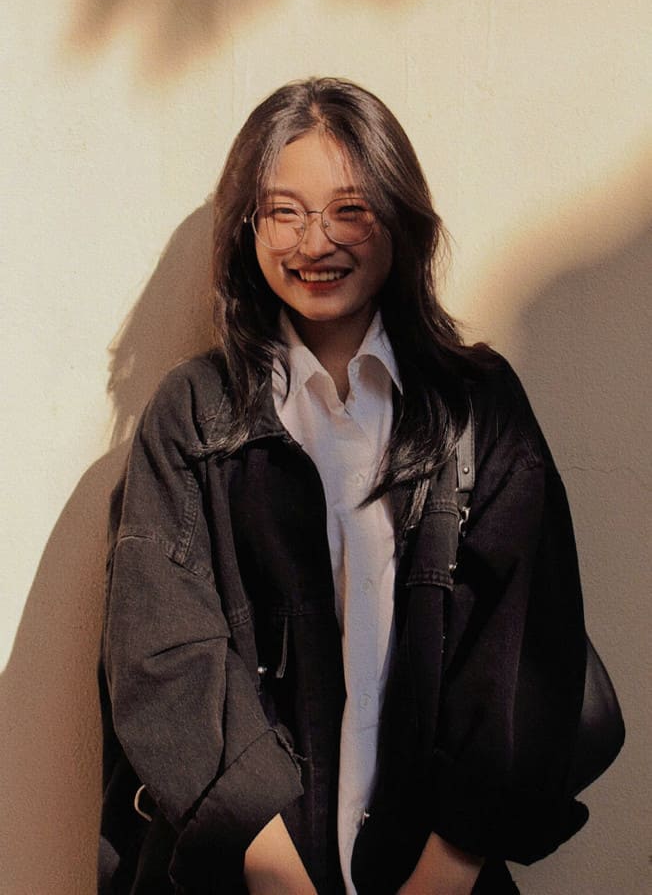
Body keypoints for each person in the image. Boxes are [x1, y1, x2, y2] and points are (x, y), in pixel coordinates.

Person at [98, 77, 623, 894]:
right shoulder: (195, 413)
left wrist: (439, 880)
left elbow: (526, 641)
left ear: (399, 218)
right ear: (247, 227)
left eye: (350, 209)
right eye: (284, 211)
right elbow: (163, 655)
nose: (315, 241)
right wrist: (279, 880)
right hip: (251, 877)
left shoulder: (474, 404)